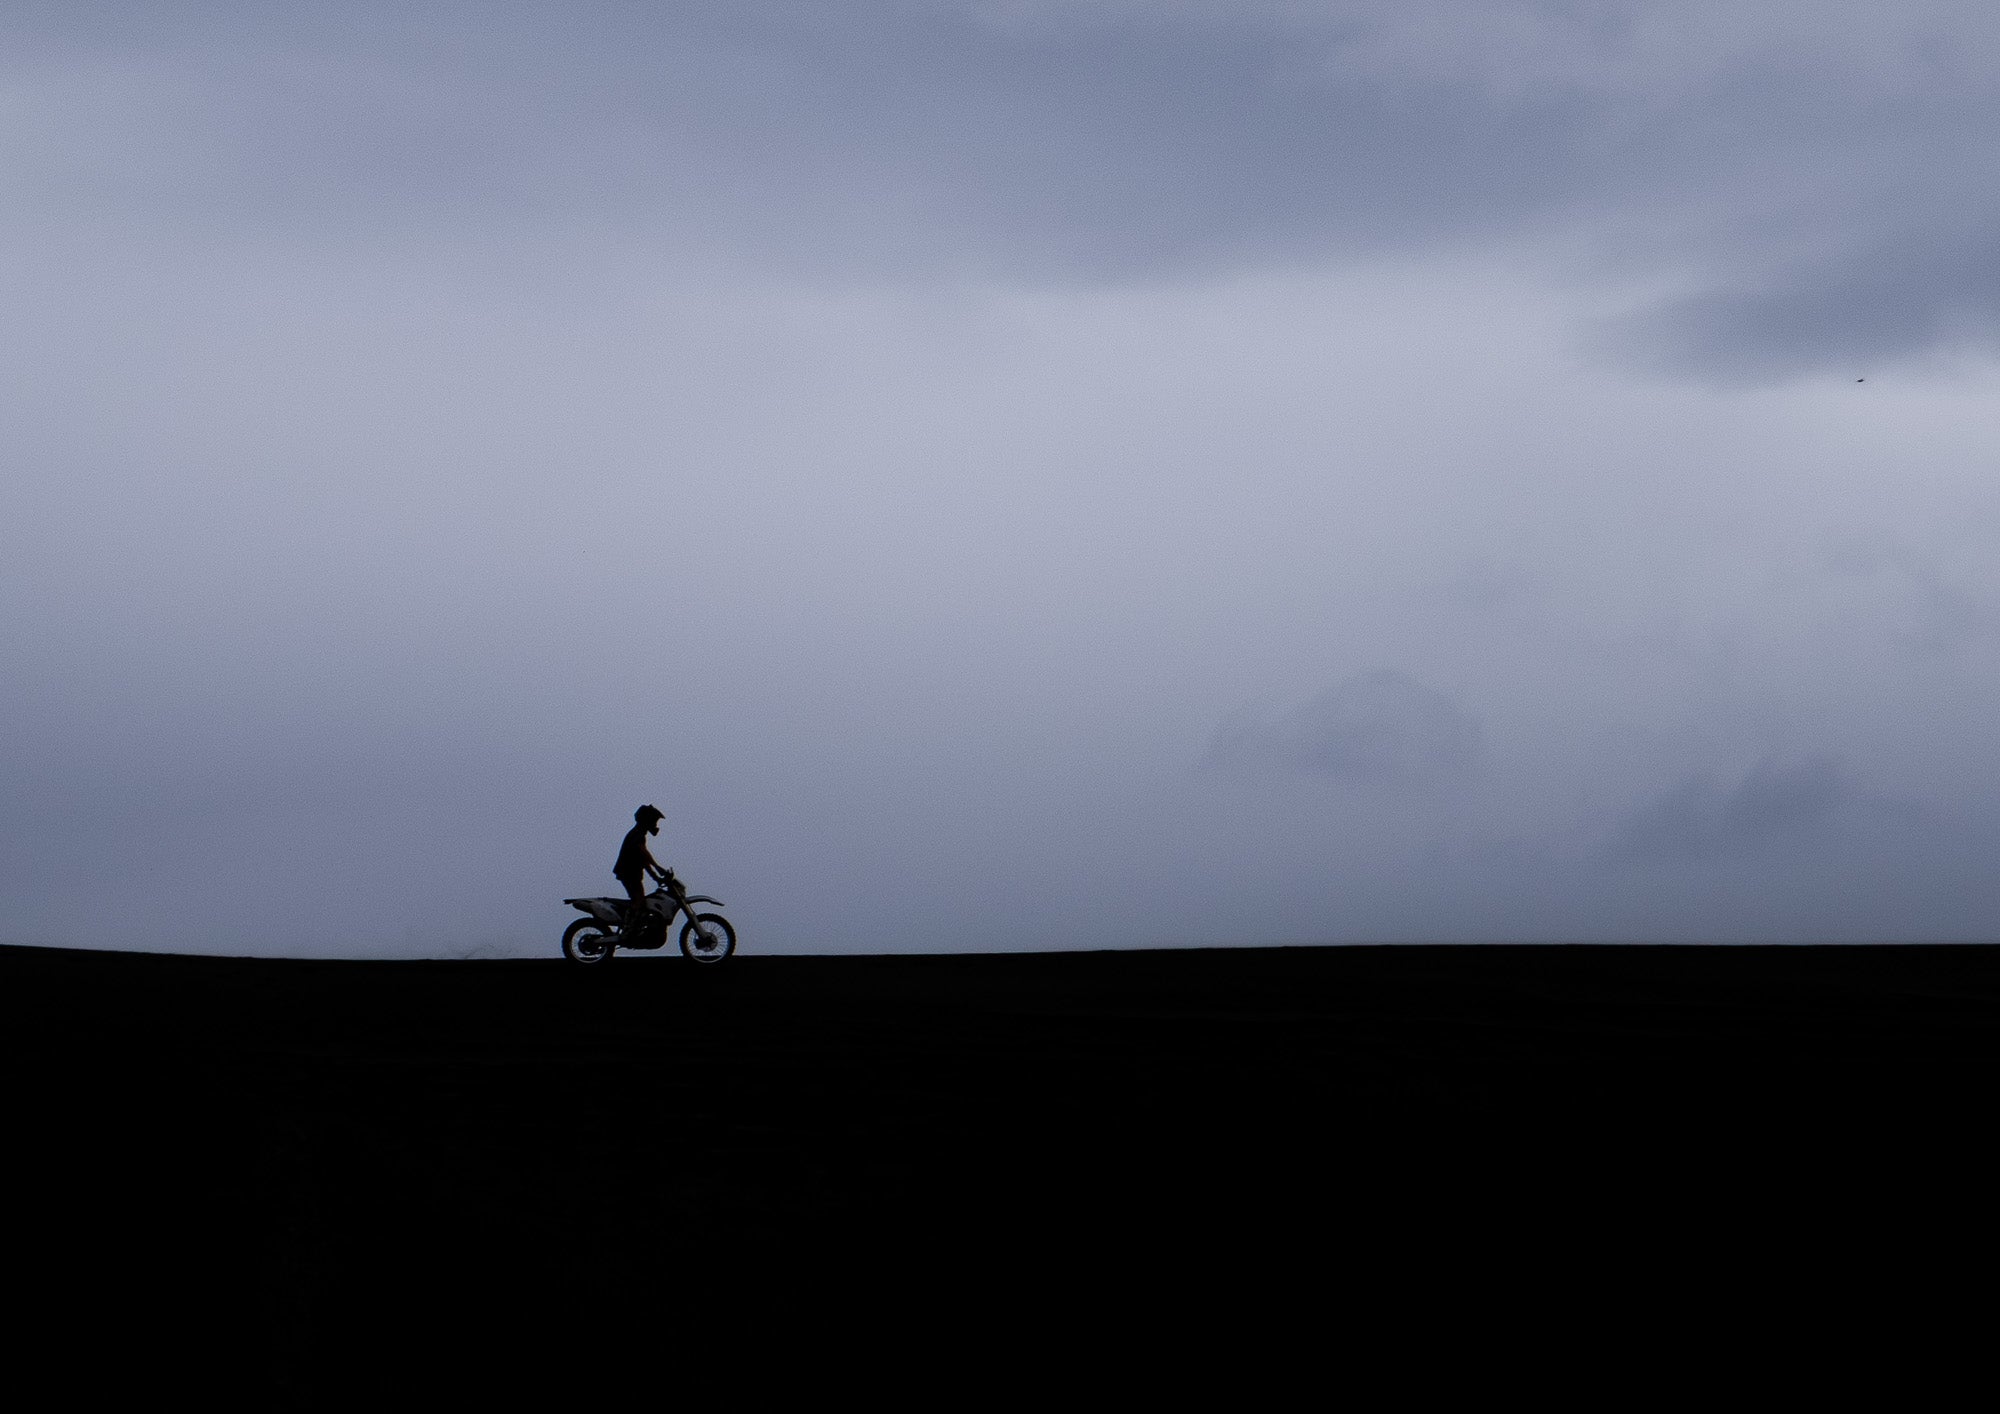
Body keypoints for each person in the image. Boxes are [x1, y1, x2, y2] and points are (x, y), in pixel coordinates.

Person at [613, 804, 677, 939]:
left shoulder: (638, 833)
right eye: (654, 820)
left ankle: (636, 927)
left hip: (632, 873)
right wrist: (657, 867)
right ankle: (628, 930)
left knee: (641, 901)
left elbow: (643, 861)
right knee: (639, 900)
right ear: (647, 820)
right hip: (628, 872)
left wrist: (655, 877)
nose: (655, 824)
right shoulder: (637, 834)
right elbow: (643, 853)